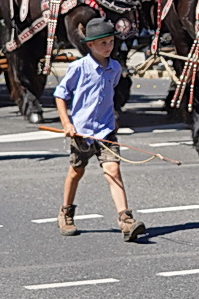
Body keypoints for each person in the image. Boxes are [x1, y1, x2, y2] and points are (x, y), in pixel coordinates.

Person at [52, 17, 145, 241]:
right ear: (90, 45)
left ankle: (126, 220)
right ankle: (66, 212)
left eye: (111, 42)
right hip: (82, 132)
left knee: (113, 171)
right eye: (103, 43)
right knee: (76, 172)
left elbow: (108, 95)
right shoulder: (78, 68)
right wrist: (67, 123)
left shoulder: (114, 68)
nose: (108, 47)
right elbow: (60, 95)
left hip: (106, 131)